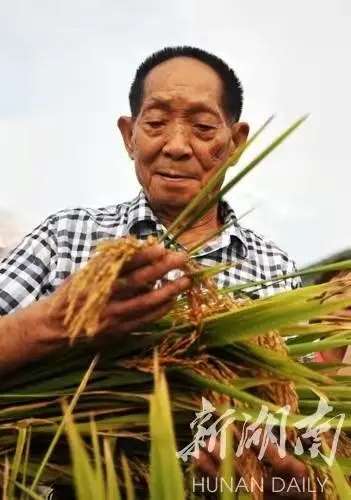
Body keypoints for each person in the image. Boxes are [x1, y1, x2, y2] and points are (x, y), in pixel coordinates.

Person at [0, 45, 312, 496]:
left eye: (203, 127)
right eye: (156, 123)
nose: (178, 146)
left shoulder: (276, 273)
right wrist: (54, 323)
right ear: (129, 135)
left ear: (236, 141)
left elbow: (306, 432)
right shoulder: (66, 238)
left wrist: (277, 476)